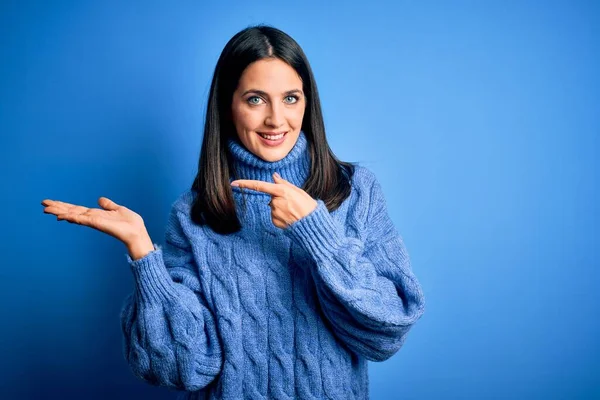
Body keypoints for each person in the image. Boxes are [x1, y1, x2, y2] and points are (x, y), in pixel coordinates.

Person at [41, 24, 425, 399]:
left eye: (291, 98)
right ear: (229, 106)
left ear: (308, 103)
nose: (276, 119)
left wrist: (318, 235)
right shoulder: (194, 215)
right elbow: (182, 367)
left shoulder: (355, 192)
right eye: (255, 99)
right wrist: (145, 256)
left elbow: (386, 332)